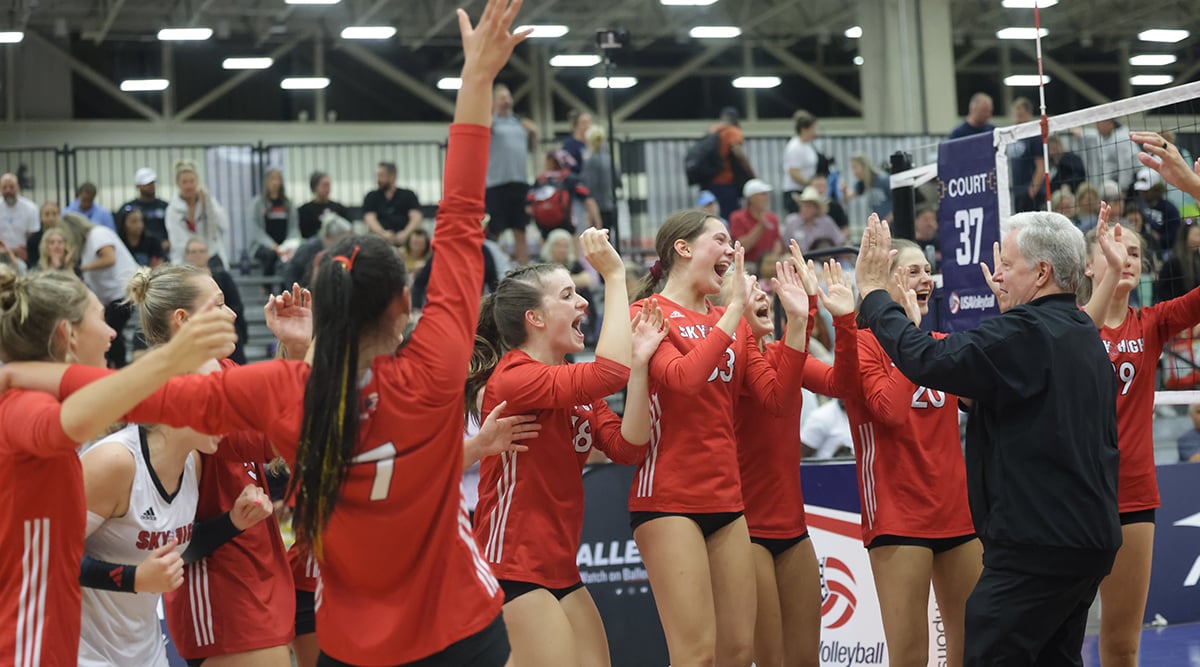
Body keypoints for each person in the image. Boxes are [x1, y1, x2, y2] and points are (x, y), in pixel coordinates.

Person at [45, 6, 530, 664]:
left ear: (325, 310)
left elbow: (145, 399)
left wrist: (29, 376)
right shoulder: (436, 361)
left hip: (353, 643)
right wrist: (475, 83)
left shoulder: (287, 389)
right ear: (404, 304)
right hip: (461, 629)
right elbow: (462, 217)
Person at [856, 212, 1120, 667]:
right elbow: (1026, 399)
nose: (997, 274)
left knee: (988, 651)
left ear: (1042, 273)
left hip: (1035, 546)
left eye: (1009, 264)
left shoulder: (1023, 333)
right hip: (1087, 540)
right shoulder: (1079, 332)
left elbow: (926, 358)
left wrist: (875, 295)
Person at [0, 267, 236, 667]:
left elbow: (121, 399)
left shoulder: (34, 393)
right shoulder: (25, 406)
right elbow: (73, 421)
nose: (112, 333)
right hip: (28, 635)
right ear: (67, 334)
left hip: (77, 636)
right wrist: (172, 357)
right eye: (100, 317)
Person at [468, 228, 664, 667]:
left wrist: (638, 368)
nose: (582, 303)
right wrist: (614, 275)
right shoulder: (514, 375)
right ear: (535, 318)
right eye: (568, 295)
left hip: (559, 564)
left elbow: (628, 447)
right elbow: (605, 373)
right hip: (512, 560)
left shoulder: (572, 382)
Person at [628, 209, 811, 666]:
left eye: (732, 243)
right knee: (696, 656)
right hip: (668, 499)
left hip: (728, 500)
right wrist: (732, 312)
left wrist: (800, 325)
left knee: (738, 651)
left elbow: (776, 400)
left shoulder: (731, 323)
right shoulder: (647, 313)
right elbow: (684, 379)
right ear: (683, 248)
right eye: (720, 240)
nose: (731, 250)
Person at [804, 238, 981, 667]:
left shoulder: (942, 341)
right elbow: (890, 410)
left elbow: (986, 399)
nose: (925, 280)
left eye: (927, 270)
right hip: (898, 516)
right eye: (913, 271)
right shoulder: (862, 346)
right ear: (883, 281)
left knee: (974, 648)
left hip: (957, 512)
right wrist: (911, 337)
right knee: (909, 656)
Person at [127, 264, 296, 667]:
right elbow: (269, 436)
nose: (234, 313)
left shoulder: (226, 370)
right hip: (221, 591)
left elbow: (285, 435)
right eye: (219, 304)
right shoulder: (178, 391)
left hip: (257, 572)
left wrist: (297, 348)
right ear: (183, 320)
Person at [1080, 207, 1200, 667]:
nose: (1126, 258)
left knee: (1122, 642)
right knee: (1056, 636)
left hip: (1131, 496)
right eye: (1113, 249)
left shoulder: (1150, 323)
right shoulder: (1065, 325)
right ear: (1089, 265)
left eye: (1134, 252)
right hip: (1071, 497)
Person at [734, 251, 856, 667]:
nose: (765, 292)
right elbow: (776, 400)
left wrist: (844, 320)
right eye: (751, 290)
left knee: (806, 661)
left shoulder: (780, 358)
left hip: (793, 530)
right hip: (745, 531)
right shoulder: (730, 367)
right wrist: (801, 323)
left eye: (762, 286)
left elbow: (843, 383)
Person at [58, 211, 140, 368]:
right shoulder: (84, 247)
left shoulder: (97, 234)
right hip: (112, 297)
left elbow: (109, 258)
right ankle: (115, 366)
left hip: (124, 292)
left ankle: (118, 367)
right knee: (110, 334)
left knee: (110, 333)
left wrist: (83, 267)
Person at [486, 82, 539, 266]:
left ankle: (523, 270)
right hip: (496, 184)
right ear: (493, 102)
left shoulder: (520, 124)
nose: (506, 101)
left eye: (508, 97)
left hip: (520, 183)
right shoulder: (490, 123)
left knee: (520, 230)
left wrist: (533, 133)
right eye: (501, 98)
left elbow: (532, 149)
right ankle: (495, 266)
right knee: (494, 231)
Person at [183, 237, 249, 365]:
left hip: (228, 331)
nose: (198, 255)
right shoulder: (183, 283)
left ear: (208, 254)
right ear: (187, 255)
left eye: (201, 251)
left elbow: (237, 307)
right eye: (193, 252)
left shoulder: (222, 277)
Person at [166, 161, 231, 269]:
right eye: (184, 182)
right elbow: (178, 241)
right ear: (178, 184)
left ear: (197, 182)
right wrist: (198, 254)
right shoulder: (172, 210)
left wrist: (208, 203)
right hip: (185, 258)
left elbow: (224, 225)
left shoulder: (209, 201)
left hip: (212, 255)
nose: (189, 186)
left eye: (192, 181)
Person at [526, 150, 602, 239]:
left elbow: (528, 206)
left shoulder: (540, 180)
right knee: (570, 246)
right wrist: (597, 223)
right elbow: (589, 200)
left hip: (544, 224)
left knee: (547, 248)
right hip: (566, 222)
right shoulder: (570, 178)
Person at [702, 107, 756, 219]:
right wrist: (751, 175)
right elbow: (738, 152)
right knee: (730, 217)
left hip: (709, 181)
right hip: (726, 181)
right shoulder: (732, 131)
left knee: (712, 216)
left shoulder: (712, 130)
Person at [249, 167, 299, 277]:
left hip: (284, 244)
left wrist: (287, 244)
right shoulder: (258, 203)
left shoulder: (287, 203)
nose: (275, 182)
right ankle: (266, 286)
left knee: (289, 259)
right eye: (272, 179)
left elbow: (294, 227)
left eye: (278, 179)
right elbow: (256, 229)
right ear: (266, 182)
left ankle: (285, 289)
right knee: (271, 255)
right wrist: (271, 244)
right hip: (263, 245)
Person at [284, 212, 354, 290]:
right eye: (341, 239)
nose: (343, 243)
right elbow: (292, 274)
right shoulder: (308, 249)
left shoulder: (334, 250)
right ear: (329, 236)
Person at [363, 162, 423, 247]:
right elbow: (370, 219)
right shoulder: (372, 196)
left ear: (392, 176)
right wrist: (383, 234)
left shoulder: (408, 195)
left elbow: (416, 217)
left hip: (406, 240)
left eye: (381, 176)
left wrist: (405, 234)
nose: (378, 179)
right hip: (379, 240)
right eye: (377, 176)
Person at [580, 124, 620, 249]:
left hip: (597, 206)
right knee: (610, 241)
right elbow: (618, 181)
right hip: (611, 204)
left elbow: (589, 189)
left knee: (599, 244)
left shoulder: (591, 161)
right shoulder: (609, 158)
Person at [730, 179, 782, 273]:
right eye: (762, 194)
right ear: (750, 198)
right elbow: (743, 246)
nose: (766, 197)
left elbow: (777, 242)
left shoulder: (772, 217)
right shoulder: (737, 217)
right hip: (748, 264)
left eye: (766, 194)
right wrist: (761, 226)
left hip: (769, 263)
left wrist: (772, 260)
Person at [118, 167, 171, 250]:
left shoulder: (165, 206)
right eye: (147, 183)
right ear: (137, 186)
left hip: (162, 251)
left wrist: (168, 241)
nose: (151, 186)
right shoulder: (128, 208)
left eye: (152, 182)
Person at [1133, 167, 1183, 254]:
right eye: (1141, 191)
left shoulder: (1169, 209)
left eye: (1146, 191)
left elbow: (1176, 236)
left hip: (1165, 250)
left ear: (1155, 188)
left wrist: (1159, 238)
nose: (1142, 194)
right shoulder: (1138, 207)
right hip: (1143, 248)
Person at [782, 187, 844, 253]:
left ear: (816, 209)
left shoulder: (826, 222)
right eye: (803, 205)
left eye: (809, 206)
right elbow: (784, 246)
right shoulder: (791, 221)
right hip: (797, 260)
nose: (805, 209)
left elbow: (840, 242)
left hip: (822, 260)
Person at [783, 110, 819, 213]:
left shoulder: (808, 145)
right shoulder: (795, 147)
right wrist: (809, 184)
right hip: (796, 191)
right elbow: (794, 172)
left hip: (806, 189)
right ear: (804, 130)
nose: (815, 131)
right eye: (813, 128)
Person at [0, 172, 40, 263]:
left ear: (18, 188)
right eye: (4, 187)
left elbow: (32, 236)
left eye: (11, 187)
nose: (8, 190)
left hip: (22, 255)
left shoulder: (31, 208)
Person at [297, 172, 349, 240]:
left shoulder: (340, 208)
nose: (327, 189)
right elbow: (305, 234)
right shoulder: (304, 210)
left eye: (329, 185)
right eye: (324, 185)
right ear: (315, 187)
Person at [843, 155, 893, 220]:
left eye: (855, 167)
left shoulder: (883, 179)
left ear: (864, 166)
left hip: (891, 225)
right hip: (878, 224)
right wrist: (844, 191)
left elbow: (899, 204)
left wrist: (886, 221)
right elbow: (847, 197)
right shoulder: (862, 183)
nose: (854, 172)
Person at [25, 200, 61, 268]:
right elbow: (32, 263)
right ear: (40, 217)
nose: (51, 218)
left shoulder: (65, 237)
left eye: (54, 214)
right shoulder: (33, 239)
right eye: (47, 214)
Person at [914, 206, 942, 272]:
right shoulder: (910, 244)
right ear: (916, 221)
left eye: (933, 220)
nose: (930, 224)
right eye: (926, 220)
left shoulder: (943, 243)